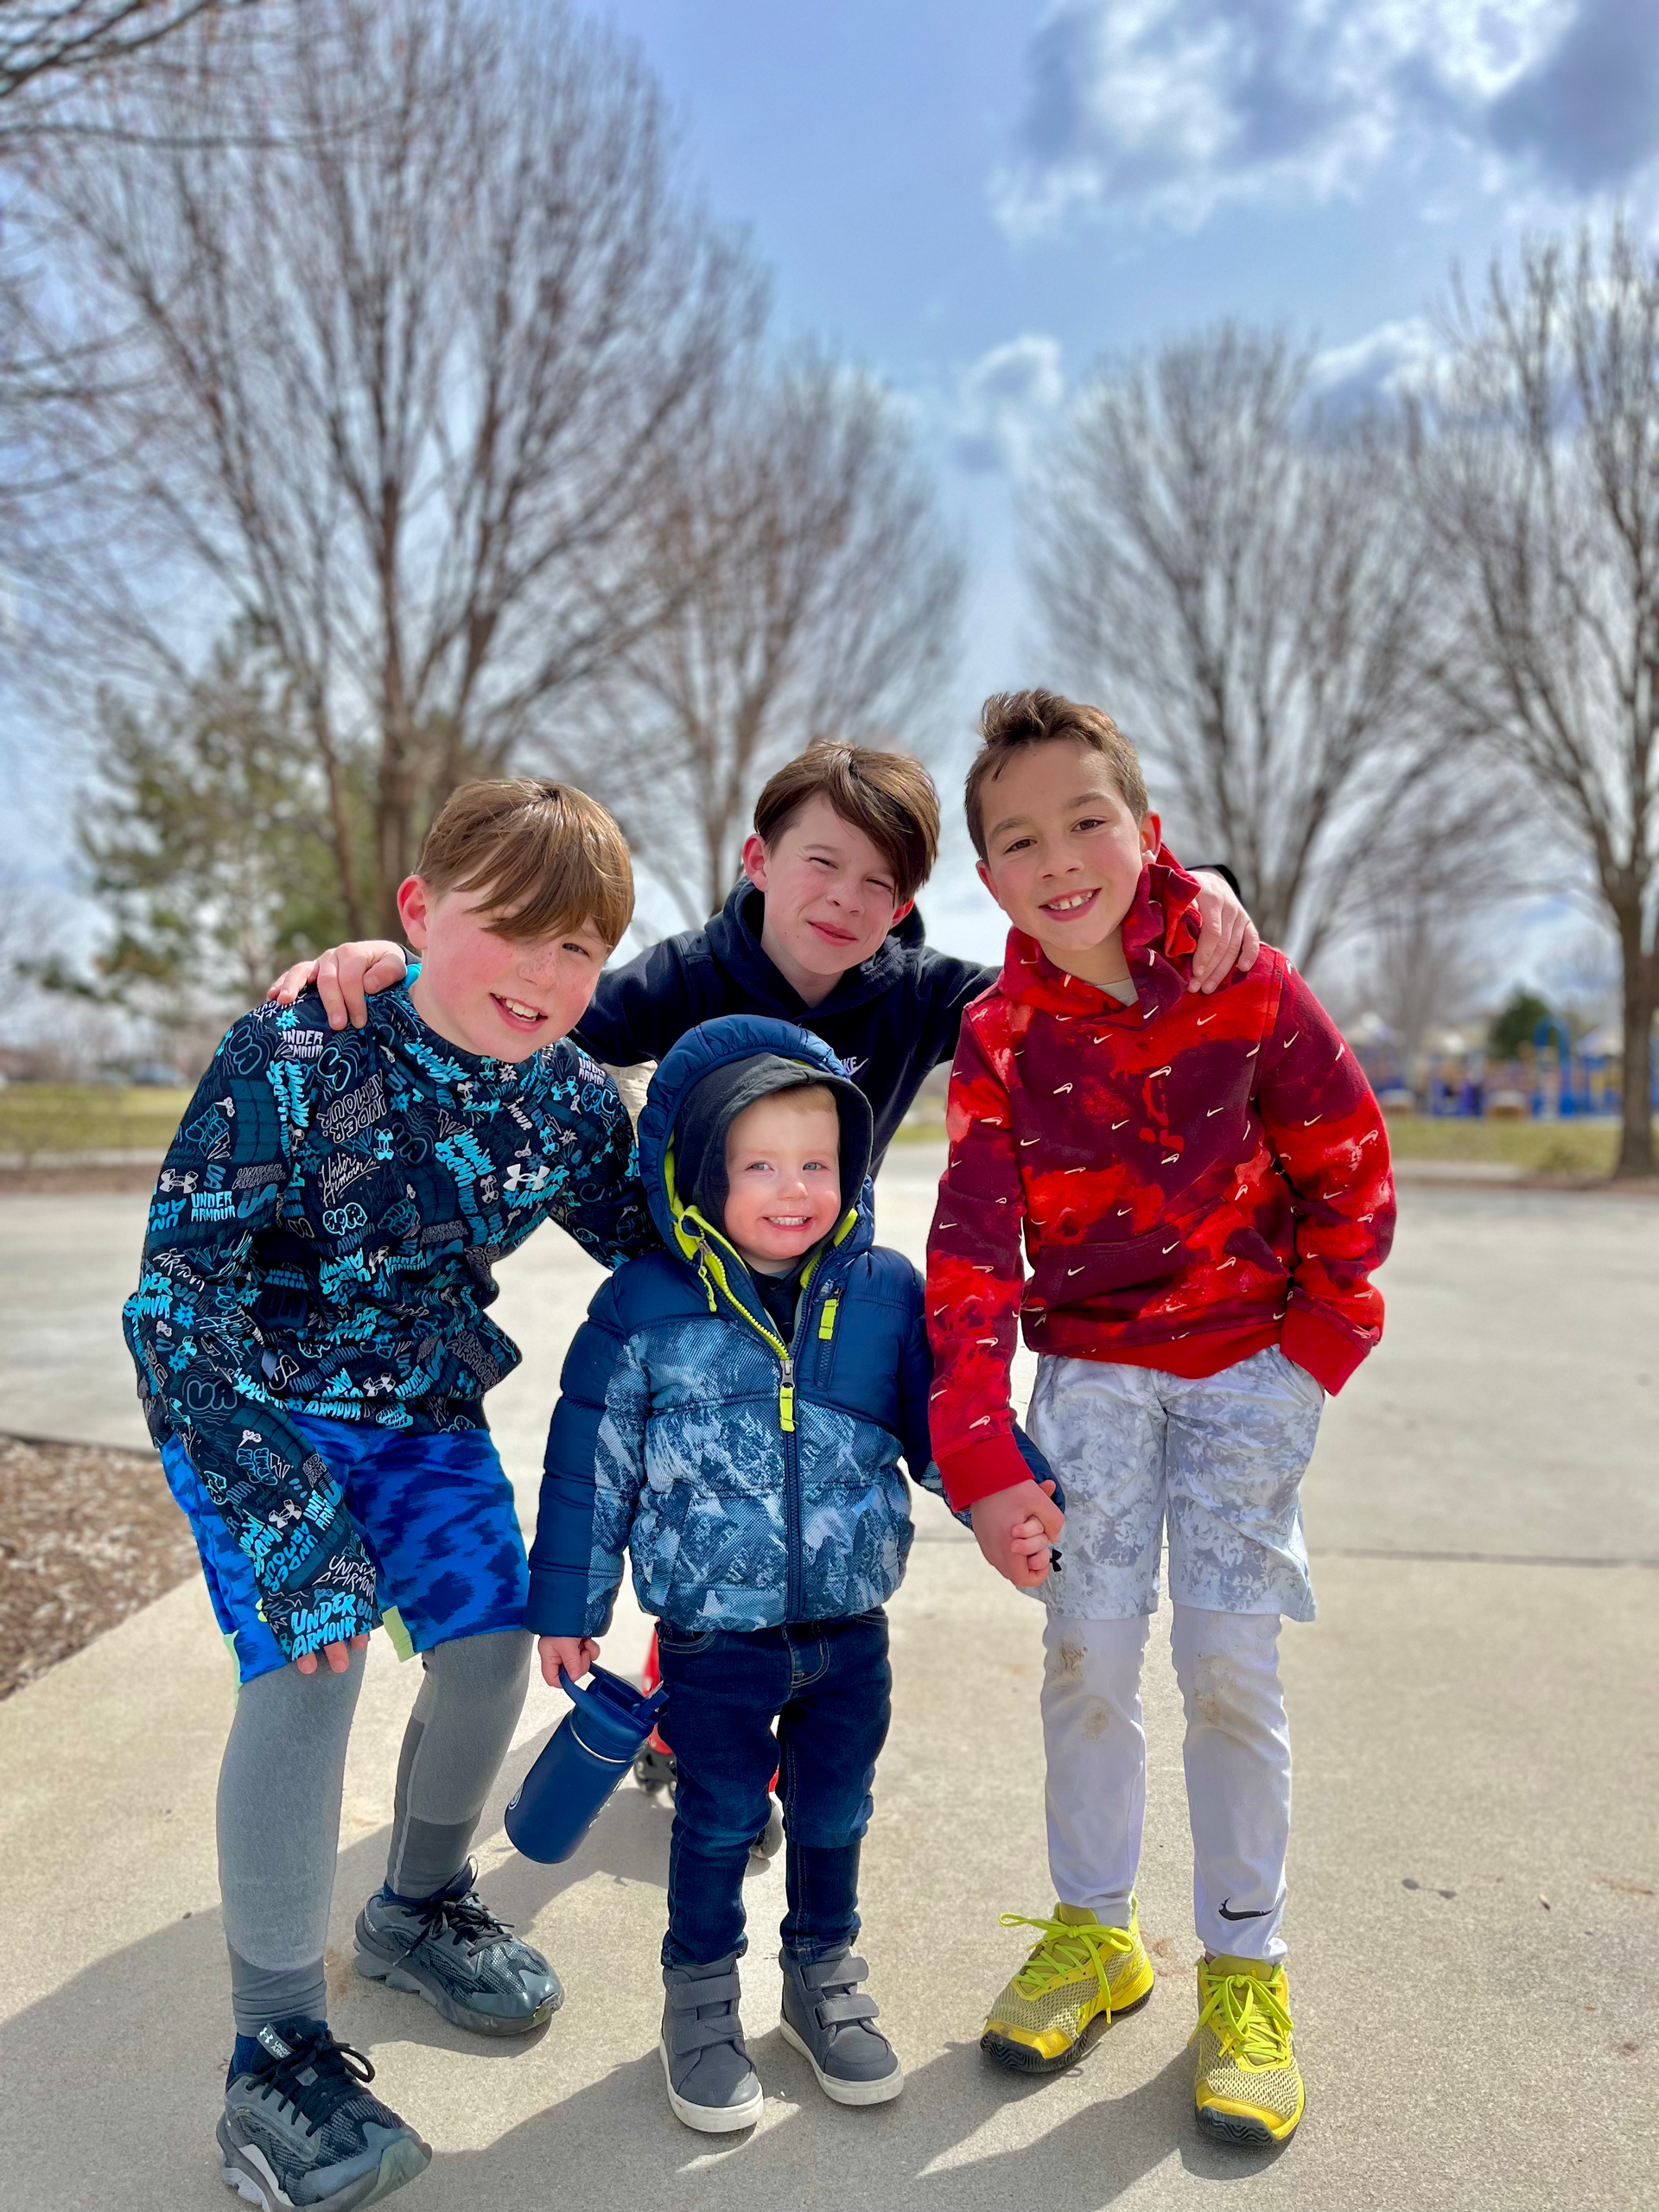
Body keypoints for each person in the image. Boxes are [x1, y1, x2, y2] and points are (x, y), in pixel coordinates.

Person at [124, 779, 659, 2212]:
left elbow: (664, 1244)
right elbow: (178, 1301)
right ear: (419, 915)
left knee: (491, 1658)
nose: (547, 978)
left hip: (420, 1415)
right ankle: (274, 2054)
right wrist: (290, 1528)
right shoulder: (297, 1048)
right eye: (516, 933)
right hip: (256, 1406)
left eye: (582, 952)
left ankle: (418, 1906)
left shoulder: (563, 1097)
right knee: (317, 1659)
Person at [925, 691, 1395, 2148]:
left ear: (1148, 832)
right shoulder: (998, 1036)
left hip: (1250, 1366)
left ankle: (1245, 1971)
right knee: (1089, 1653)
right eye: (1020, 840)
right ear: (989, 880)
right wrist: (987, 1457)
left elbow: (1352, 1176)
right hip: (1096, 1385)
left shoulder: (1250, 989)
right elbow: (968, 1254)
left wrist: (1309, 1357)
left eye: (1087, 820)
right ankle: (1099, 1934)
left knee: (1227, 1665)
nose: (1060, 858)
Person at [531, 1014, 1045, 2134]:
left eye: (817, 1164)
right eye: (760, 1166)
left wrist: (1013, 1493)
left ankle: (821, 1975)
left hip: (850, 1629)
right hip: (716, 1640)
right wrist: (570, 1606)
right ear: (705, 1176)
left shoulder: (882, 1296)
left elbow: (944, 1427)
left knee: (834, 1810)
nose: (793, 1190)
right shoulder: (645, 1310)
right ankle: (703, 2004)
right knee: (718, 1819)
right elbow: (589, 1461)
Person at [267, 741, 1259, 1169]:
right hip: (694, 1264)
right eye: (821, 862)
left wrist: (1193, 887)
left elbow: (1077, 979)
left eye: (878, 882)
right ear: (759, 859)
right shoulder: (689, 976)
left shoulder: (920, 997)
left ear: (906, 903)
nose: (844, 898)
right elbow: (526, 1014)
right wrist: (398, 965)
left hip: (835, 1265)